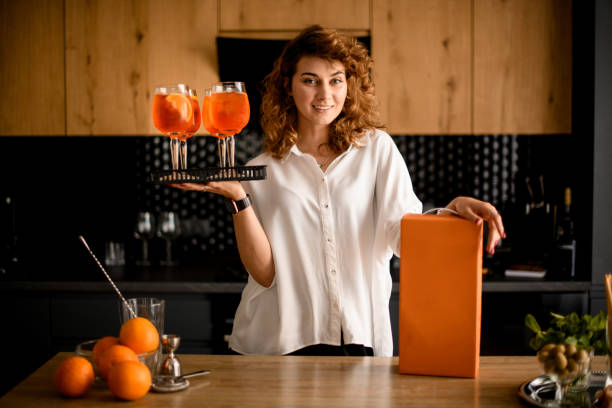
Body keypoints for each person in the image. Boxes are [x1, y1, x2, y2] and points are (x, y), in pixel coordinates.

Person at [175, 25, 505, 356]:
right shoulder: (261, 169)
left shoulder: (377, 151)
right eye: (310, 80)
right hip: (277, 343)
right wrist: (238, 198)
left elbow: (403, 236)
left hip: (358, 337)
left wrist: (451, 210)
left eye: (335, 80)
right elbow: (264, 274)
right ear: (288, 86)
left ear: (349, 86)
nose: (325, 94)